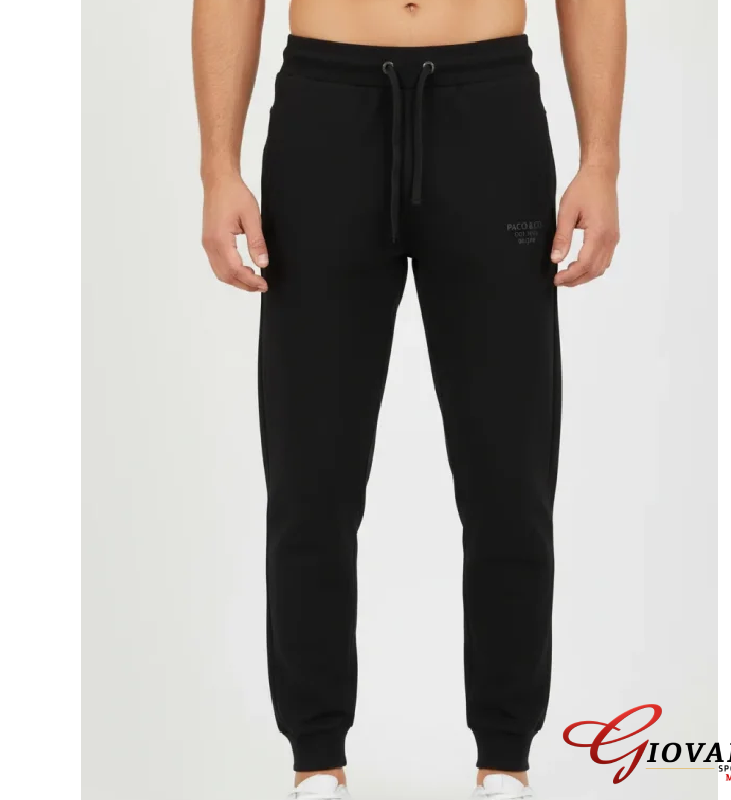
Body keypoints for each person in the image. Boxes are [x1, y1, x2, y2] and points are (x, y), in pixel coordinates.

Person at [192, 0, 624, 797]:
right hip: (325, 114)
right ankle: (316, 762)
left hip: (490, 113)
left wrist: (601, 161)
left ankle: (506, 761)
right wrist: (218, 166)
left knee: (510, 473)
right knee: (311, 474)